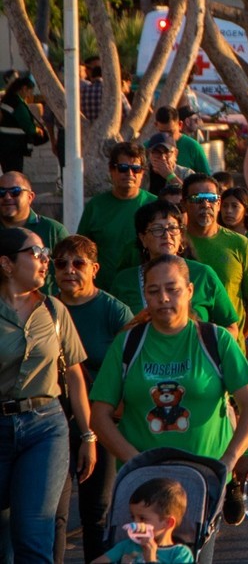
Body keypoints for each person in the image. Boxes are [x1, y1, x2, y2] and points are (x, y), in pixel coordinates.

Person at [89, 255, 248, 540]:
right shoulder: (128, 343)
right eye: (154, 291)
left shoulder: (216, 340)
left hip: (203, 482)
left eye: (173, 289)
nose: (164, 298)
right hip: (144, 486)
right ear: (145, 295)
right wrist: (134, 462)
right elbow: (99, 414)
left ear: (190, 291)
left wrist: (229, 460)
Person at [0, 227, 95, 563]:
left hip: (46, 428)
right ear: (7, 264)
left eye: (45, 253)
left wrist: (87, 434)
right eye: (35, 253)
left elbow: (74, 375)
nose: (45, 260)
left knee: (33, 534)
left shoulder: (54, 309)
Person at [52, 236, 132, 564]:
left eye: (78, 264)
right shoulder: (44, 306)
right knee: (53, 514)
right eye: (61, 264)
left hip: (100, 418)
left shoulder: (113, 311)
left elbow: (132, 363)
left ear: (94, 269)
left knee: (95, 512)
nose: (69, 270)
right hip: (52, 418)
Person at [104, 202, 240, 334]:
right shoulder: (124, 281)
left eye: (172, 228)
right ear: (143, 238)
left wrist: (204, 344)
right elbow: (111, 334)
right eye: (157, 229)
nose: (166, 235)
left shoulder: (203, 274)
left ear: (181, 236)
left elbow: (231, 327)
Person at [182, 175, 248, 343]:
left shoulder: (240, 244)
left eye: (211, 199)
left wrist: (237, 340)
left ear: (218, 203)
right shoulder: (175, 243)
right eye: (197, 199)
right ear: (184, 203)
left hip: (229, 350)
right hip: (186, 348)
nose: (205, 205)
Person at [77, 142, 158, 277]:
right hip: (104, 289)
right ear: (111, 170)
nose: (129, 173)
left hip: (144, 289)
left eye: (136, 168)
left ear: (142, 172)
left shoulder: (155, 205)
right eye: (123, 168)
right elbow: (81, 250)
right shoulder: (95, 206)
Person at [92, 478, 194, 564]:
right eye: (133, 517)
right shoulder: (127, 545)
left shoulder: (179, 554)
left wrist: (151, 559)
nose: (135, 524)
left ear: (168, 523)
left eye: (142, 519)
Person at [0, 172, 68, 266]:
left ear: (30, 197)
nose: (7, 197)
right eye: (1, 192)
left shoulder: (53, 231)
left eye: (15, 191)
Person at [0, 74, 48, 174]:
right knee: (15, 174)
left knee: (7, 173)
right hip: (15, 146)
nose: (30, 95)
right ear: (24, 88)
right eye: (30, 91)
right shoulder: (18, 104)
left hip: (5, 144)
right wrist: (37, 130)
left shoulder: (7, 100)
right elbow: (28, 125)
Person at [153, 106, 211, 176]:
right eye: (162, 132)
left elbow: (206, 179)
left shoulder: (193, 147)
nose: (166, 136)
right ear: (156, 125)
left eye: (170, 132)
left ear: (180, 125)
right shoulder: (148, 146)